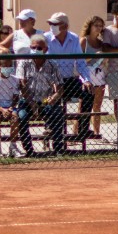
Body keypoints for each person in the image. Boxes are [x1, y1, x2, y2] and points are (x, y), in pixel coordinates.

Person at [43, 12, 94, 142]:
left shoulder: (74, 38)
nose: (52, 26)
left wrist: (86, 80)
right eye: (50, 24)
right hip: (51, 81)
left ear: (65, 26)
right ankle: (50, 128)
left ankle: (82, 129)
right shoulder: (45, 38)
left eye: (55, 24)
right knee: (51, 97)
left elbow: (80, 62)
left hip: (69, 79)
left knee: (88, 93)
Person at [17, 34, 66, 156]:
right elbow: (22, 85)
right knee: (21, 116)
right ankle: (29, 151)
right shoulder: (24, 63)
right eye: (33, 47)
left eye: (39, 48)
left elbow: (60, 87)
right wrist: (31, 103)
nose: (35, 50)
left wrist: (53, 97)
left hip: (46, 100)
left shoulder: (52, 64)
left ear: (45, 49)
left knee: (58, 113)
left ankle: (58, 149)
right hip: (27, 100)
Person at [80, 15, 109, 140]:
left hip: (99, 75)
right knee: (83, 106)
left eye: (100, 26)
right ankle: (77, 132)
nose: (98, 28)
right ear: (90, 26)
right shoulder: (84, 41)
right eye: (96, 25)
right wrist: (93, 56)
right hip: (86, 75)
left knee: (97, 106)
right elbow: (79, 60)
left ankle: (97, 133)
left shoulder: (101, 43)